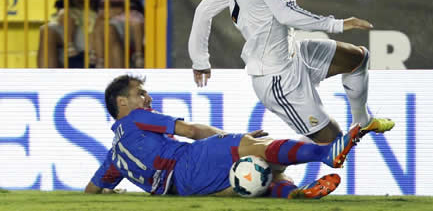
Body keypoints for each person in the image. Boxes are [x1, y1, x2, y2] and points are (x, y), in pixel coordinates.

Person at [188, 0, 394, 146]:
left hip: (293, 54)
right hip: (277, 76)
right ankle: (268, 168)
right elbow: (286, 14)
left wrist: (200, 61)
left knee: (357, 58)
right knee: (334, 146)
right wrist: (338, 24)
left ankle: (362, 121)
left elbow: (203, 11)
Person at [85, 74, 362, 198]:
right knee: (257, 147)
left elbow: (92, 189)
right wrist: (235, 139)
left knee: (260, 177)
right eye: (140, 93)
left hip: (179, 191)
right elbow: (191, 131)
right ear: (122, 103)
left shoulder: (113, 157)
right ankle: (326, 153)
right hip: (187, 162)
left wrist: (112, 189)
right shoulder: (135, 117)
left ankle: (293, 194)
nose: (148, 97)